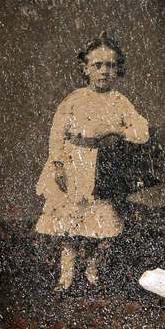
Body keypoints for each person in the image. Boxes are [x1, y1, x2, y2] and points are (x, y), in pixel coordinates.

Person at [36, 33, 149, 290]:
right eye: (97, 65)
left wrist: (116, 129)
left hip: (102, 168)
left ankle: (92, 271)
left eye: (110, 65)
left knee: (101, 226)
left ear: (117, 69)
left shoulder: (120, 102)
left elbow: (141, 133)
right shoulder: (74, 100)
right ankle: (66, 278)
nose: (104, 71)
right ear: (86, 68)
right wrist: (57, 164)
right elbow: (57, 133)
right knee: (71, 227)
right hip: (74, 164)